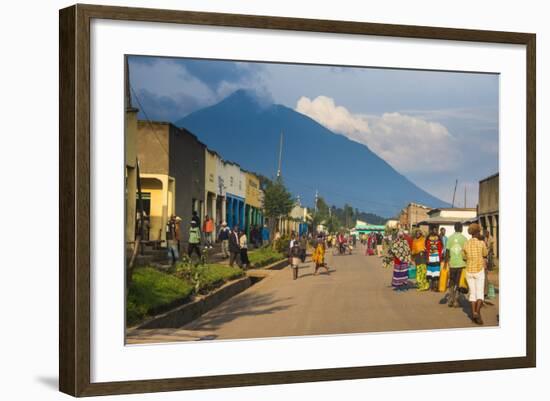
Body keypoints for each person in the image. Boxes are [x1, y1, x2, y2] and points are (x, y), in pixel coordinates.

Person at [462, 223, 488, 325]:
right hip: (479, 270)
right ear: (477, 232)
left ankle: (473, 313)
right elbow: (485, 254)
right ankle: (477, 313)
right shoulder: (481, 243)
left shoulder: (466, 244)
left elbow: (463, 257)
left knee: (472, 293)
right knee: (480, 293)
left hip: (469, 270)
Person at [445, 222, 467, 307]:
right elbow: (466, 251)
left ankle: (451, 299)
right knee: (459, 282)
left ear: (454, 228)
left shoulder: (450, 238)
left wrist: (446, 263)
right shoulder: (464, 239)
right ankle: (456, 301)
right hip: (461, 264)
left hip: (452, 264)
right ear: (461, 228)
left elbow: (447, 251)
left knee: (451, 281)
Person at [426, 225, 443, 291]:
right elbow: (427, 249)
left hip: (435, 258)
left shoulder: (438, 238)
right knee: (433, 272)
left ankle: (434, 287)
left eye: (436, 230)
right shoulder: (429, 239)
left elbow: (440, 248)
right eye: (434, 230)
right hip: (431, 258)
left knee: (435, 272)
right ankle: (433, 286)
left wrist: (440, 257)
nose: (435, 231)